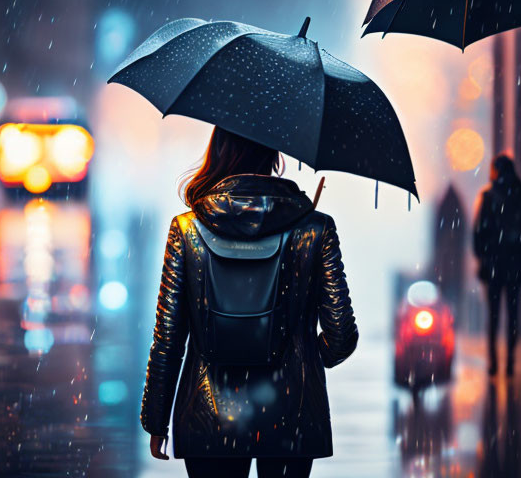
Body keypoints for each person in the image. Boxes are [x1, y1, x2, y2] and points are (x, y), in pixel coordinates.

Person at [141, 126, 358, 478]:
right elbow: (341, 335)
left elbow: (168, 336)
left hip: (207, 416)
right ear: (275, 155)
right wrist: (302, 355)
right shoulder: (315, 228)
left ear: (219, 151)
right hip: (293, 414)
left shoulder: (186, 229)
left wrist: (156, 420)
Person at [473, 154, 521, 377]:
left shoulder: (489, 197)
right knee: (512, 314)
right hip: (513, 262)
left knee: (494, 316)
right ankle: (509, 360)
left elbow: (479, 231)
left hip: (495, 263)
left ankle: (494, 363)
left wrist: (484, 251)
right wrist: (519, 245)